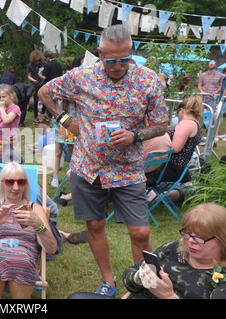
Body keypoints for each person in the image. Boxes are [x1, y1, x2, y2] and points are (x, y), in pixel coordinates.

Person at [38, 24, 168, 297]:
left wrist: (134, 135)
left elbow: (161, 125)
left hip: (128, 168)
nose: (119, 65)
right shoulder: (82, 77)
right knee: (95, 225)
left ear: (131, 52)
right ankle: (108, 282)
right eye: (111, 60)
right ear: (99, 53)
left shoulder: (148, 80)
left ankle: (141, 287)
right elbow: (44, 93)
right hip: (88, 166)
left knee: (141, 232)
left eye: (125, 58)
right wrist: (66, 121)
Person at [0, 161, 57, 299]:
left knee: (21, 260)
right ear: (2, 184)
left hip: (23, 255)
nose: (16, 187)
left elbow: (51, 248)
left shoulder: (35, 210)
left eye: (21, 182)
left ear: (25, 185)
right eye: (10, 182)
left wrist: (38, 225)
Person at [122, 202, 226, 299]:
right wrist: (140, 277)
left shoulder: (222, 275)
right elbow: (128, 275)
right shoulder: (174, 248)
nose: (190, 240)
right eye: (187, 233)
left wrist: (169, 296)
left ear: (222, 239)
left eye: (201, 237)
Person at [147, 95, 202, 203]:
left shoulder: (185, 124)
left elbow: (175, 148)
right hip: (179, 168)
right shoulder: (195, 124)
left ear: (182, 110)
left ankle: (136, 196)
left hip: (168, 168)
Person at [0, 85, 22, 163]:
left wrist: (1, 108)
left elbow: (6, 120)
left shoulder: (15, 108)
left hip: (9, 138)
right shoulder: (3, 108)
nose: (1, 99)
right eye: (0, 97)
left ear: (11, 96)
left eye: (4, 97)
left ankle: (6, 173)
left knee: (7, 158)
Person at [27, 50, 46, 119]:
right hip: (35, 84)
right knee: (36, 100)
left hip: (43, 83)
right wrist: (33, 80)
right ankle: (36, 116)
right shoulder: (30, 66)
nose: (37, 63)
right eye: (36, 61)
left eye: (38, 61)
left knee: (44, 100)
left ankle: (43, 114)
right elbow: (29, 76)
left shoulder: (43, 64)